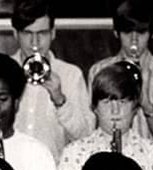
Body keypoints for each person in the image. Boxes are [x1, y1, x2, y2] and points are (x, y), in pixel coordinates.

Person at [87, 0, 153, 150]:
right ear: (116, 33)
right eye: (127, 32)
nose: (134, 40)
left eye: (141, 32)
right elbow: (91, 128)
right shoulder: (98, 70)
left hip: (150, 162)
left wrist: (147, 106)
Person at [10, 0, 94, 161]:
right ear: (15, 34)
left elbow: (86, 135)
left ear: (53, 33)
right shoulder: (1, 70)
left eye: (42, 33)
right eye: (27, 33)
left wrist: (60, 100)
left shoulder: (71, 74)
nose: (35, 43)